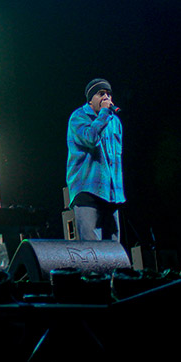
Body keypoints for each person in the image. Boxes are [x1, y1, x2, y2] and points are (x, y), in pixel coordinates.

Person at [66, 78, 125, 241]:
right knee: (92, 249)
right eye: (101, 94)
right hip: (87, 190)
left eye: (109, 94)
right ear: (90, 99)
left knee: (114, 250)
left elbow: (116, 157)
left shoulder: (114, 121)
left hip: (111, 193)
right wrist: (104, 113)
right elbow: (90, 138)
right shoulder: (78, 117)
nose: (106, 97)